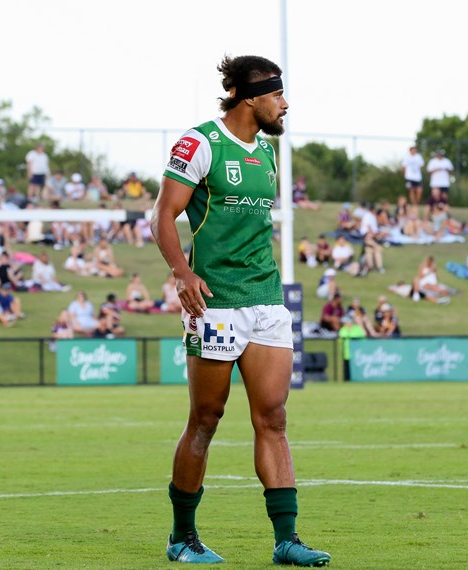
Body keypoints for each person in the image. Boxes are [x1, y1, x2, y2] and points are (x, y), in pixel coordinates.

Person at [149, 55, 329, 566]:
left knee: (273, 417)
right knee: (206, 418)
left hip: (266, 299)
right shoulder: (200, 142)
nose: (285, 104)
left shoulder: (268, 153)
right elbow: (164, 213)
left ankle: (287, 541)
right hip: (217, 303)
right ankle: (182, 537)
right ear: (252, 98)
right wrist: (182, 273)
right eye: (277, 95)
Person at [338, 314, 365, 381]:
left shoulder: (357, 328)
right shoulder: (343, 329)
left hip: (357, 352)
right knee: (347, 368)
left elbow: (360, 335)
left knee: (357, 368)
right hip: (346, 352)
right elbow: (343, 335)